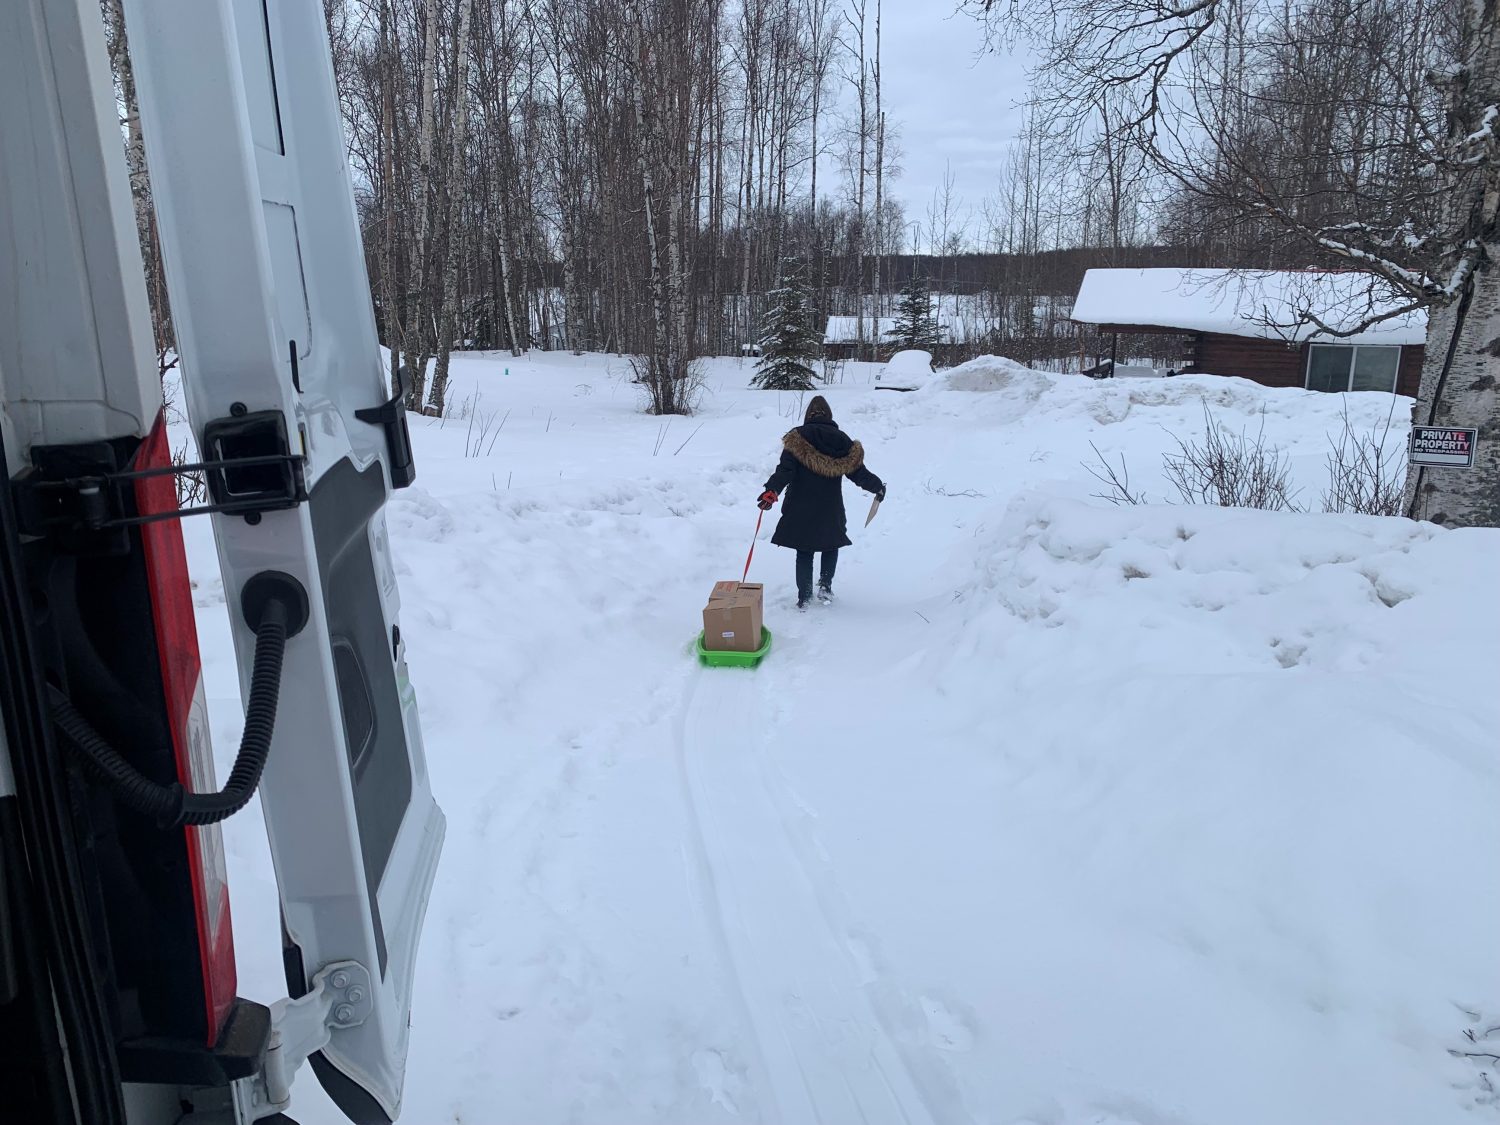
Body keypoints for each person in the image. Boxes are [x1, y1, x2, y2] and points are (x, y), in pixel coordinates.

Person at [758, 395, 885, 609]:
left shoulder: (796, 437)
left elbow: (785, 471)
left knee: (804, 551)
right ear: (830, 416)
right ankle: (825, 587)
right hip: (830, 506)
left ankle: (805, 596)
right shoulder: (842, 440)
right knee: (830, 546)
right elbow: (857, 473)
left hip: (800, 505)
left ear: (808, 415)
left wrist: (771, 491)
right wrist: (877, 486)